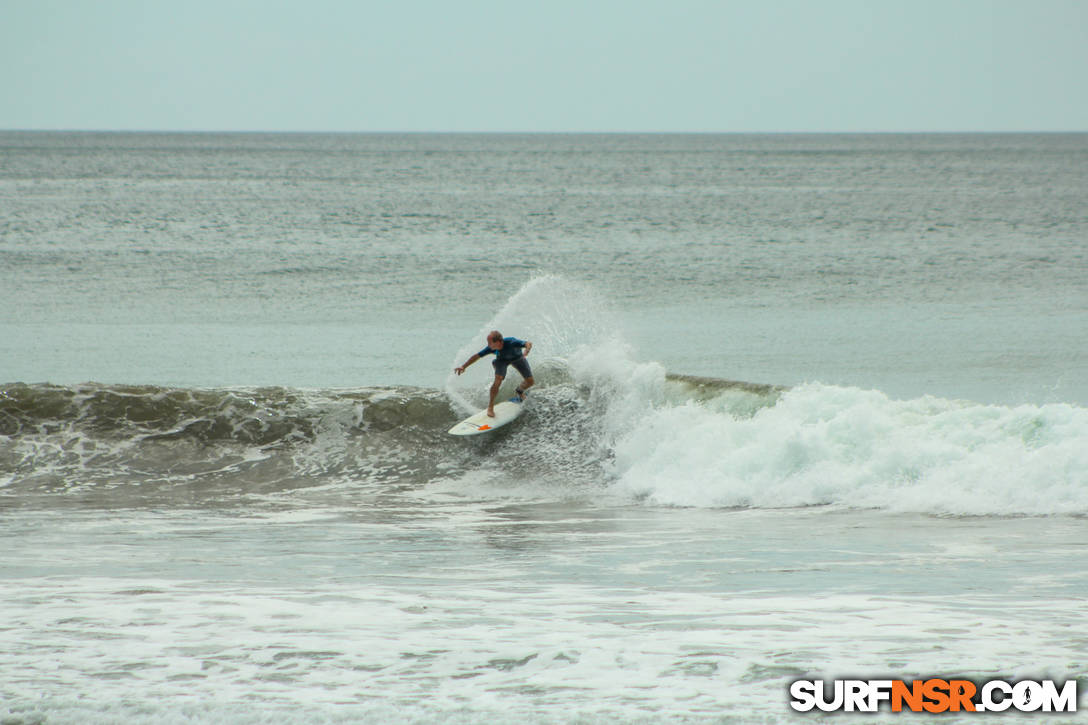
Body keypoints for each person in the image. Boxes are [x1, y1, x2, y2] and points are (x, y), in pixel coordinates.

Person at [454, 330, 534, 417]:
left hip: (518, 359)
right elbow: (476, 356)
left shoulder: (511, 342)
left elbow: (528, 343)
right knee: (498, 380)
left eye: (490, 342)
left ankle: (519, 391)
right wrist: (463, 366)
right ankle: (490, 407)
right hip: (501, 361)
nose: (488, 345)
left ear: (498, 342)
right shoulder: (490, 348)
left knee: (530, 382)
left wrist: (527, 350)